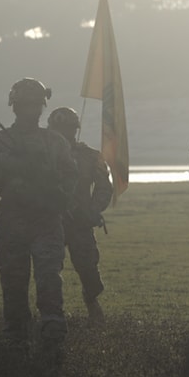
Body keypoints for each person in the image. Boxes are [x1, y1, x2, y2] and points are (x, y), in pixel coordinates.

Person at [0, 78, 77, 360]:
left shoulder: (54, 141)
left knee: (48, 277)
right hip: (14, 217)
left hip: (46, 218)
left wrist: (59, 196)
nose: (31, 109)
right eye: (25, 104)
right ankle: (16, 333)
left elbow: (70, 175)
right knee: (14, 279)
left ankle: (52, 327)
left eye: (35, 104)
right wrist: (4, 164)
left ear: (42, 106)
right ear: (15, 106)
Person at [46, 106, 112, 324]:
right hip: (52, 220)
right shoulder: (41, 156)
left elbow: (104, 187)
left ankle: (91, 300)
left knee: (89, 270)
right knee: (49, 269)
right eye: (59, 130)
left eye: (68, 129)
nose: (64, 134)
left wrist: (92, 210)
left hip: (80, 222)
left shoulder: (91, 156)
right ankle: (53, 314)